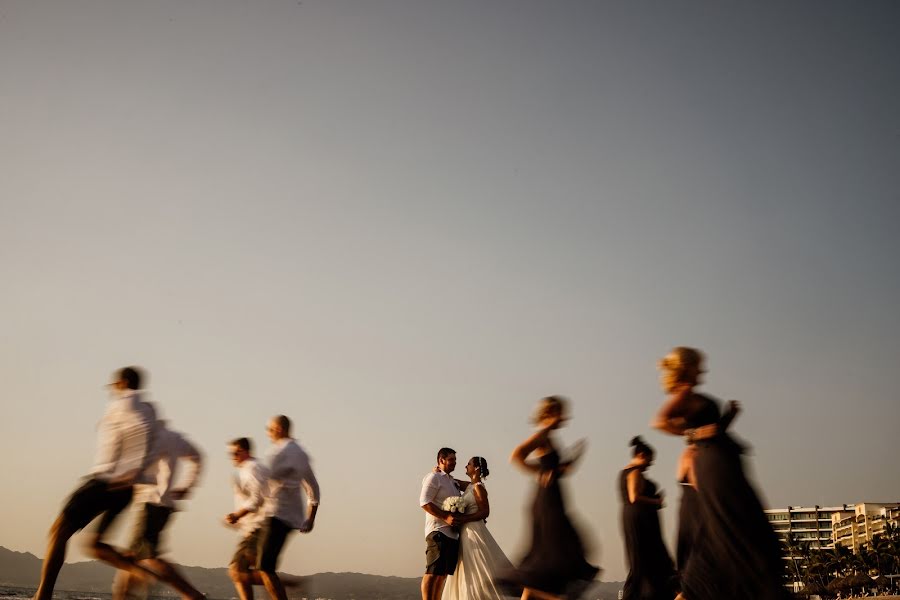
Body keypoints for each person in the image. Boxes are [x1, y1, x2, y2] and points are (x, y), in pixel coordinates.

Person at [652, 347, 789, 600]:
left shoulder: (692, 395)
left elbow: (713, 431)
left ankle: (700, 585)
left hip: (722, 461)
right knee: (735, 524)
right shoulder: (684, 392)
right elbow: (660, 421)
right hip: (713, 465)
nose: (702, 370)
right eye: (697, 365)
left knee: (729, 524)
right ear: (686, 368)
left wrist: (728, 417)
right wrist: (692, 435)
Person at [33, 366, 158, 600]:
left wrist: (130, 472)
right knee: (94, 544)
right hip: (125, 488)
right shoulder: (148, 408)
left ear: (122, 383)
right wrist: (135, 475)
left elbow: (141, 433)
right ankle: (137, 570)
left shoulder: (126, 404)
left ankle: (43, 596)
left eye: (113, 385)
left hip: (106, 481)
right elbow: (150, 437)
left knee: (58, 531)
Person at [499, 396, 599, 600]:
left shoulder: (550, 437)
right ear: (551, 413)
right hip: (547, 503)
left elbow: (555, 469)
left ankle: (543, 593)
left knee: (544, 560)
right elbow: (517, 455)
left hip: (554, 499)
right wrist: (537, 472)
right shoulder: (543, 434)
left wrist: (569, 461)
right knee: (562, 550)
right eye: (560, 412)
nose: (565, 417)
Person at [112, 420, 204, 600]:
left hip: (150, 501)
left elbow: (141, 465)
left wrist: (121, 481)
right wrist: (188, 485)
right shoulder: (174, 437)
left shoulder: (153, 437)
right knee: (134, 556)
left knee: (147, 556)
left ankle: (192, 595)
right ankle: (124, 596)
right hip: (163, 504)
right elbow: (198, 457)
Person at [256, 415, 320, 600]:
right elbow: (312, 487)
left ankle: (290, 588)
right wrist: (310, 518)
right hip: (288, 517)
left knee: (265, 567)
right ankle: (293, 585)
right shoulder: (300, 453)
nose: (268, 434)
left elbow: (265, 483)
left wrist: (249, 509)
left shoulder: (280, 452)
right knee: (262, 565)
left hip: (277, 515)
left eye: (269, 430)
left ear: (278, 429)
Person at [442, 457, 515, 600]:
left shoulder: (479, 487)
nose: (465, 466)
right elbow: (453, 482)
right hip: (465, 532)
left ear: (475, 468)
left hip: (474, 530)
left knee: (478, 565)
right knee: (466, 567)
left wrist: (463, 519)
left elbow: (485, 511)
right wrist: (440, 472)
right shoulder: (470, 486)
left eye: (468, 464)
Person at [619, 437, 676, 600]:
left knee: (645, 564)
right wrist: (656, 501)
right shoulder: (635, 472)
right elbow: (634, 497)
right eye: (650, 460)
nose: (650, 465)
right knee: (647, 563)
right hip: (641, 524)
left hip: (638, 521)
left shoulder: (627, 472)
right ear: (642, 455)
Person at [225, 437, 270, 600]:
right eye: (231, 454)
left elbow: (257, 499)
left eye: (235, 453)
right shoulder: (247, 469)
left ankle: (281, 583)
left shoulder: (252, 468)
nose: (232, 457)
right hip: (251, 527)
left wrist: (238, 515)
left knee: (236, 570)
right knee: (237, 570)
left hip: (258, 527)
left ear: (245, 451)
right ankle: (278, 582)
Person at [420, 448, 465, 600]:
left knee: (443, 574)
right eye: (451, 460)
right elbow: (424, 502)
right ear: (441, 460)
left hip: (452, 534)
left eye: (455, 460)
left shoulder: (452, 481)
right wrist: (445, 517)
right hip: (438, 531)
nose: (455, 463)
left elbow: (473, 485)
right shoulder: (434, 477)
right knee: (433, 572)